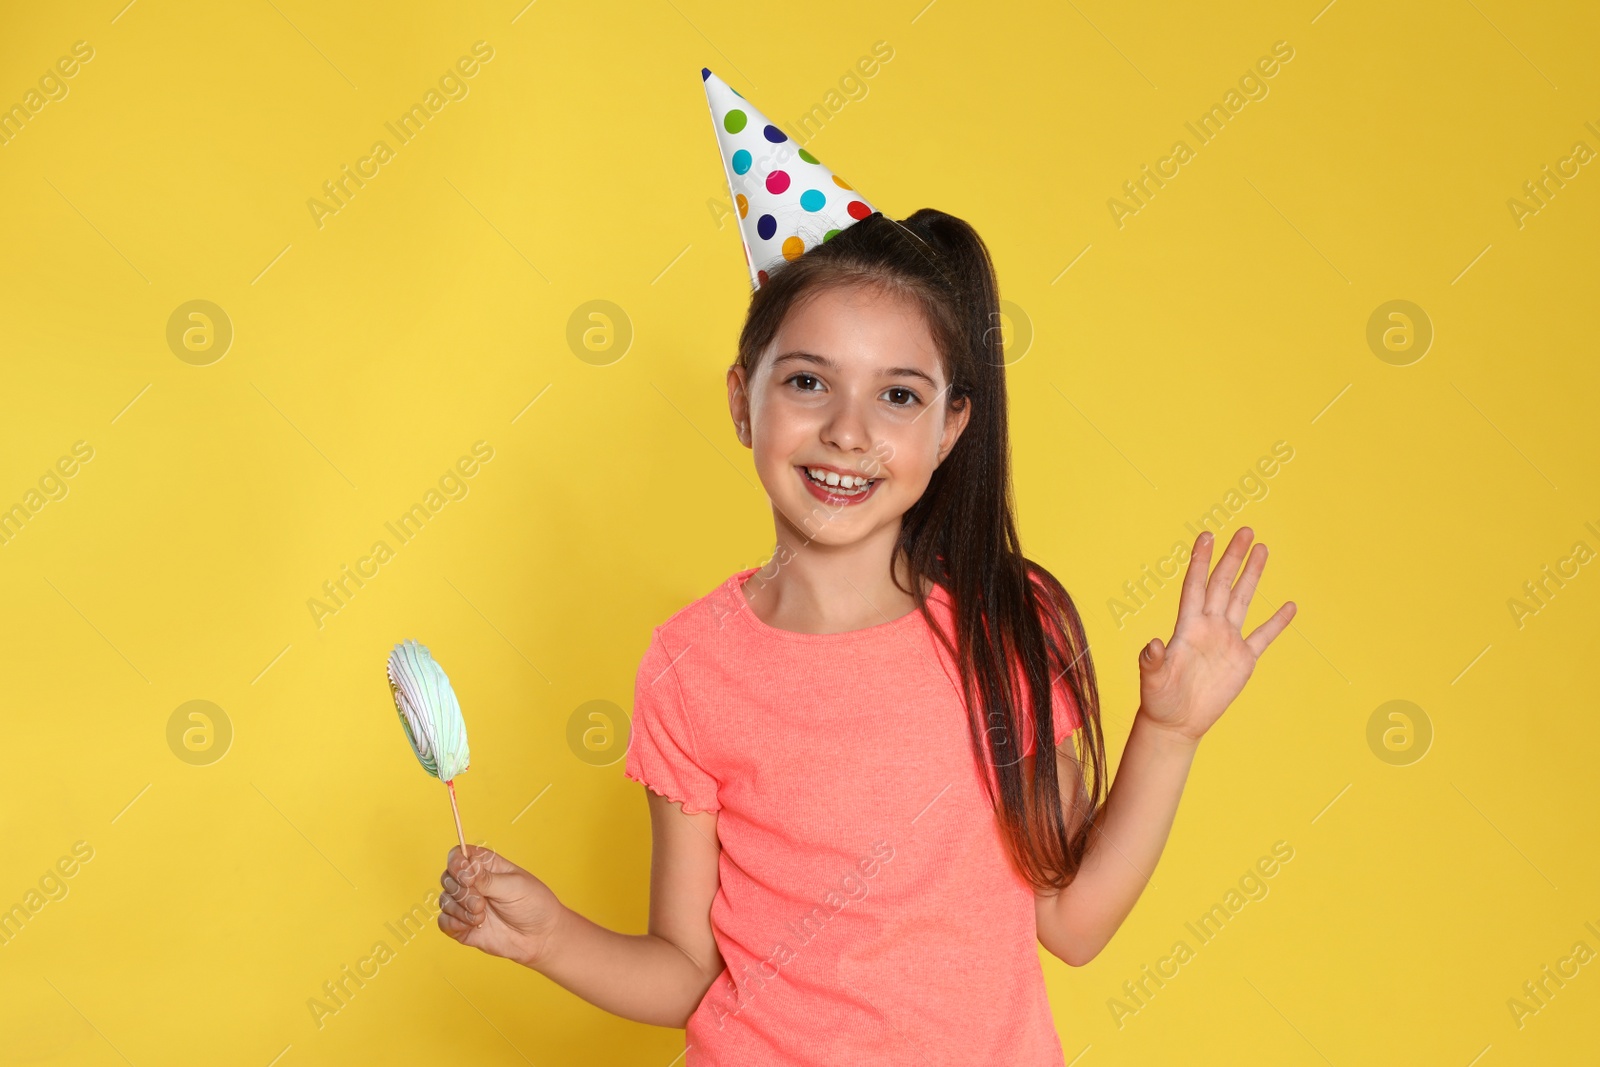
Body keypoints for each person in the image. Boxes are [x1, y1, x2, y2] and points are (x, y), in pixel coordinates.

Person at [436, 71, 1296, 1066]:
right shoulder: (688, 665)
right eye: (807, 381)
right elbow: (687, 968)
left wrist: (1171, 729)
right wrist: (546, 935)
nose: (847, 431)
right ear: (741, 401)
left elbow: (1072, 920)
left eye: (897, 394)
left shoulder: (1006, 624)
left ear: (948, 429)